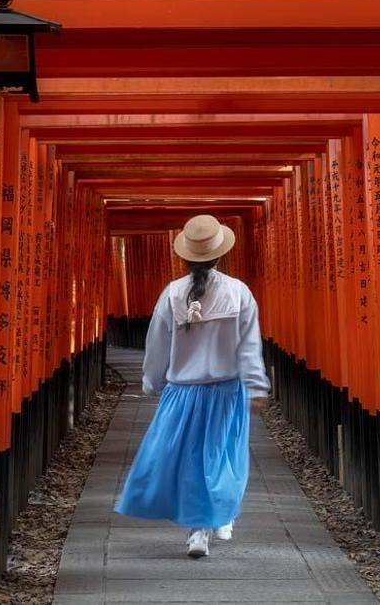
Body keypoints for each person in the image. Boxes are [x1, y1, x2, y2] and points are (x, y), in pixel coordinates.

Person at [114, 214, 270, 558]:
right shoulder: (238, 292)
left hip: (182, 393)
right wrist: (257, 386)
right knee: (223, 457)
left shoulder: (172, 294)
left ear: (185, 256)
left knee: (188, 461)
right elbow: (249, 346)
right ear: (220, 254)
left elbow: (156, 345)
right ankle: (221, 515)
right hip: (227, 391)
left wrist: (151, 381)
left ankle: (199, 529)